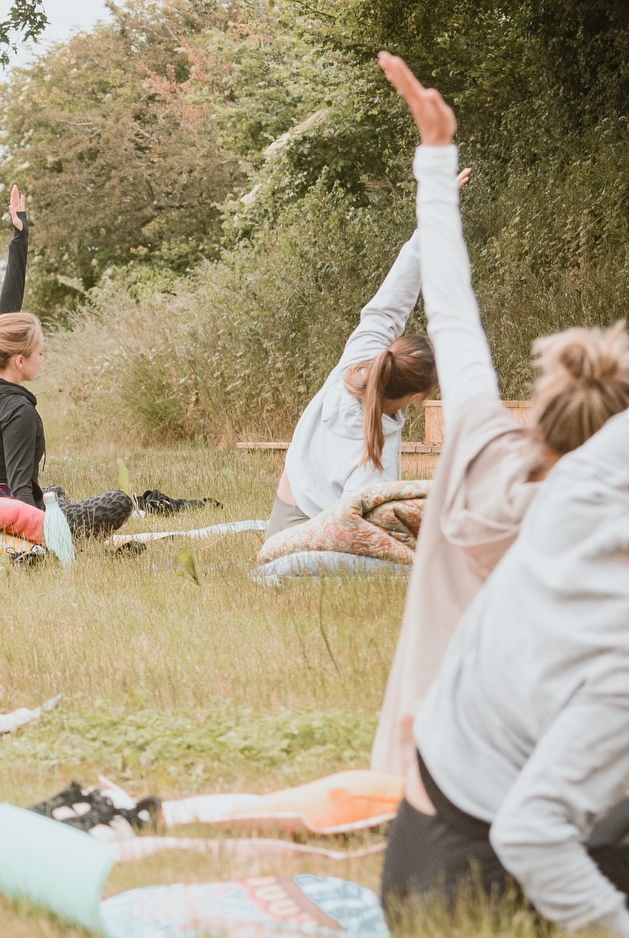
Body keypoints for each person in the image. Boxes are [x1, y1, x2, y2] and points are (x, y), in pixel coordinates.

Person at [370, 54, 629, 778]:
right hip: (527, 794)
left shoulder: (478, 437)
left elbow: (451, 309)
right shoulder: (602, 528)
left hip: (414, 773)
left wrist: (434, 156)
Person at [0, 185, 133, 538]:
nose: (43, 358)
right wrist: (48, 538)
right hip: (1, 523)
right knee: (117, 502)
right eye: (39, 352)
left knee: (56, 492)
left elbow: (5, 320)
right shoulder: (18, 412)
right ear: (18, 360)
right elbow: (21, 496)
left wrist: (20, 239)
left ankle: (54, 512)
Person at [264, 210, 440, 539]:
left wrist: (430, 222)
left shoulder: (357, 363)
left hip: (282, 515)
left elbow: (390, 304)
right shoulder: (376, 453)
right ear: (416, 397)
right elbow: (353, 527)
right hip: (304, 541)